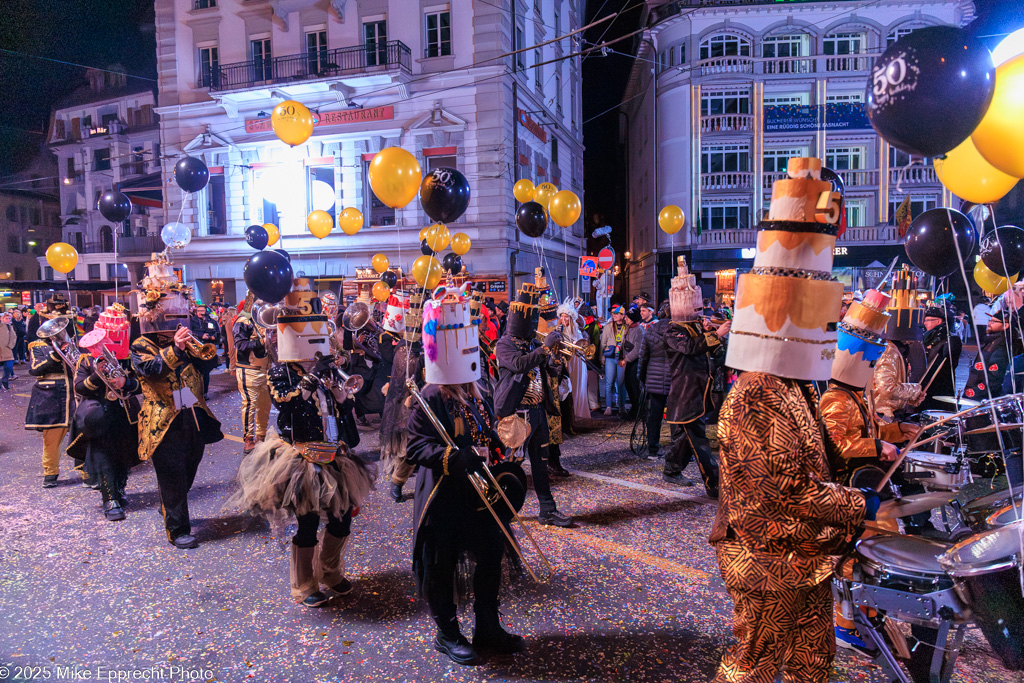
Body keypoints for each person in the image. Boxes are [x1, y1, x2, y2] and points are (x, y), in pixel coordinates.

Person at [711, 157, 872, 682]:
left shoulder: (796, 384)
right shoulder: (758, 393)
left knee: (812, 664)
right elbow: (785, 489)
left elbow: (816, 453)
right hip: (767, 564)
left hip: (805, 556)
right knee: (753, 669)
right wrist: (859, 501)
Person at [231, 282, 373, 608]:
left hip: (333, 451)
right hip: (299, 455)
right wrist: (311, 378)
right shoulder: (280, 371)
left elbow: (343, 409)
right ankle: (304, 584)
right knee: (307, 521)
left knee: (342, 518)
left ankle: (330, 570)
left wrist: (339, 390)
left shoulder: (326, 368)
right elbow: (286, 404)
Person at [406, 281, 526, 665]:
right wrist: (451, 457)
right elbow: (415, 447)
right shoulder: (430, 395)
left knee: (490, 555)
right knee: (442, 564)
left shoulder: (476, 389)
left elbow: (484, 431)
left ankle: (487, 626)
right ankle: (447, 633)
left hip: (480, 492)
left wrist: (501, 443)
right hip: (445, 497)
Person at [132, 252, 223, 549]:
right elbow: (152, 370)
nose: (176, 317)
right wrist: (176, 349)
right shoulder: (141, 344)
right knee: (171, 473)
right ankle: (177, 527)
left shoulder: (187, 336)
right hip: (162, 418)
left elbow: (208, 365)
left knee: (189, 467)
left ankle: (171, 505)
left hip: (192, 414)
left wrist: (204, 353)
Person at [494, 278, 572, 527]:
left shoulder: (533, 344)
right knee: (511, 464)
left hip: (538, 411)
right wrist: (543, 350)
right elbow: (518, 364)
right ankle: (500, 508)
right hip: (517, 413)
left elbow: (549, 370)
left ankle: (547, 510)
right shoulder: (504, 344)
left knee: (541, 462)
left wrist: (556, 358)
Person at [68, 319, 141, 522]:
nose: (105, 342)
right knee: (103, 456)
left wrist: (125, 381)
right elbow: (80, 387)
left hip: (124, 412)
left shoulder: (125, 356)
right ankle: (109, 498)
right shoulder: (85, 361)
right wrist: (98, 374)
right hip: (99, 416)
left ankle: (120, 488)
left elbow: (140, 384)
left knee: (124, 453)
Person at [380, 288, 426, 503]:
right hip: (409, 404)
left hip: (432, 400)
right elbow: (402, 380)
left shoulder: (429, 348)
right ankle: (397, 481)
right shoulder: (404, 350)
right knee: (410, 448)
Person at [25, 301, 77, 488]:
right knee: (52, 437)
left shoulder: (71, 343)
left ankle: (85, 470)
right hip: (51, 396)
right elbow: (35, 369)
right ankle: (50, 472)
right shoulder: (38, 346)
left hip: (73, 392)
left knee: (81, 434)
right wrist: (56, 354)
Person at [233, 294, 270, 453]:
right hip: (249, 369)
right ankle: (248, 439)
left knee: (265, 405)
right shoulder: (243, 321)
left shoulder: (265, 319)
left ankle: (261, 436)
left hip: (266, 368)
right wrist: (261, 342)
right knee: (249, 405)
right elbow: (240, 345)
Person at [919, 306, 963, 411]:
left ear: (938, 321)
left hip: (940, 386)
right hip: (925, 384)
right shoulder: (927, 336)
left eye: (927, 320)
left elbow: (947, 365)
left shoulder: (951, 339)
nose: (924, 323)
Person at [600, 305, 627, 416]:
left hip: (622, 358)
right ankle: (608, 407)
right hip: (610, 357)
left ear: (622, 315)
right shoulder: (608, 326)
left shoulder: (627, 327)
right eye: (613, 314)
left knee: (621, 383)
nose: (614, 316)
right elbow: (603, 343)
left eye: (616, 314)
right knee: (609, 383)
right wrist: (601, 357)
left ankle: (621, 406)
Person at [190, 304, 221, 399]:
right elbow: (189, 332)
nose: (200, 312)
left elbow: (217, 334)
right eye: (198, 310)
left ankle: (204, 393)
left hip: (207, 349)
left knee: (206, 373)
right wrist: (201, 336)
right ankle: (195, 393)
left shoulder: (212, 321)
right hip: (195, 350)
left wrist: (213, 337)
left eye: (202, 310)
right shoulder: (192, 321)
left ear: (206, 311)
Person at [621, 306, 644, 420]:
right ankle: (634, 410)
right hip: (630, 361)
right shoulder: (629, 328)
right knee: (628, 384)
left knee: (634, 386)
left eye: (628, 317)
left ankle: (638, 411)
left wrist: (626, 359)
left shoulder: (639, 330)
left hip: (635, 362)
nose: (626, 319)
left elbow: (637, 349)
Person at [580, 304, 602, 412]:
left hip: (592, 358)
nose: (584, 318)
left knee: (592, 382)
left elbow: (597, 343)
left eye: (585, 317)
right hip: (581, 357)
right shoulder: (579, 325)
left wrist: (594, 354)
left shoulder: (594, 326)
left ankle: (594, 405)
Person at [0, 312, 15, 390]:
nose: (8, 320)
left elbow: (13, 337)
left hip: (7, 350)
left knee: (9, 367)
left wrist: (10, 346)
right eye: (6, 318)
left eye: (9, 318)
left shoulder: (9, 327)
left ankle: (5, 380)